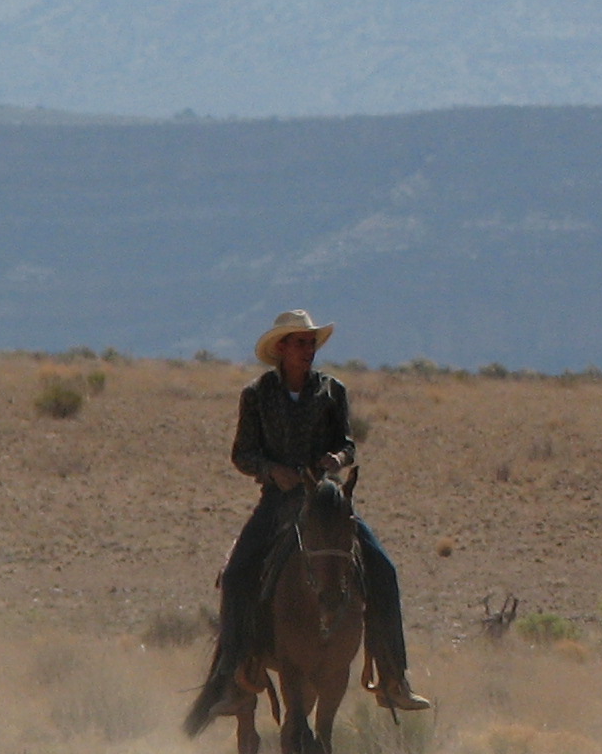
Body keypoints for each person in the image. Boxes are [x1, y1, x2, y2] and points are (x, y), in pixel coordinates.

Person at [184, 309, 431, 732]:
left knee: (383, 569)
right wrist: (271, 470)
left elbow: (347, 444)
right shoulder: (257, 395)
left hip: (325, 503)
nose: (308, 349)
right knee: (239, 572)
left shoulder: (333, 391)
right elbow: (242, 454)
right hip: (278, 502)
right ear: (281, 348)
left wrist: (337, 457)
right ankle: (234, 674)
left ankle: (392, 675)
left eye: (311, 342)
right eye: (300, 342)